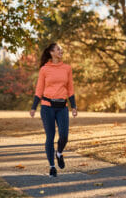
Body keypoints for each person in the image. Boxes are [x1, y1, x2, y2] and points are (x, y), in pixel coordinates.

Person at [29, 43, 78, 177]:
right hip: (47, 107)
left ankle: (59, 153)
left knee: (64, 135)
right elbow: (39, 89)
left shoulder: (67, 68)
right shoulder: (44, 69)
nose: (61, 51)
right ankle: (52, 166)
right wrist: (34, 107)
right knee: (50, 137)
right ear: (51, 52)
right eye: (58, 49)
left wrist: (74, 106)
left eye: (61, 49)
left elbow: (70, 89)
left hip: (62, 107)